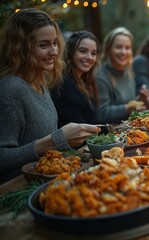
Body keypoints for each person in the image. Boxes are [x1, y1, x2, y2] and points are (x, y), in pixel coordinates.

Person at [0, 9, 100, 183]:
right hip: (18, 190)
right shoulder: (10, 89)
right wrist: (57, 139)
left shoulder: (41, 83)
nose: (54, 51)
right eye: (44, 45)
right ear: (21, 49)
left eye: (55, 43)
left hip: (49, 181)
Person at [96, 27, 149, 123]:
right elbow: (101, 114)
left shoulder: (129, 72)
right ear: (108, 49)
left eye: (127, 48)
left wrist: (140, 100)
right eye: (118, 47)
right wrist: (129, 107)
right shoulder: (100, 77)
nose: (123, 52)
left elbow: (126, 102)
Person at [51, 31, 100, 127]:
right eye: (83, 51)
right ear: (71, 51)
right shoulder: (64, 83)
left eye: (93, 53)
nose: (89, 57)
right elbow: (80, 127)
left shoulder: (85, 80)